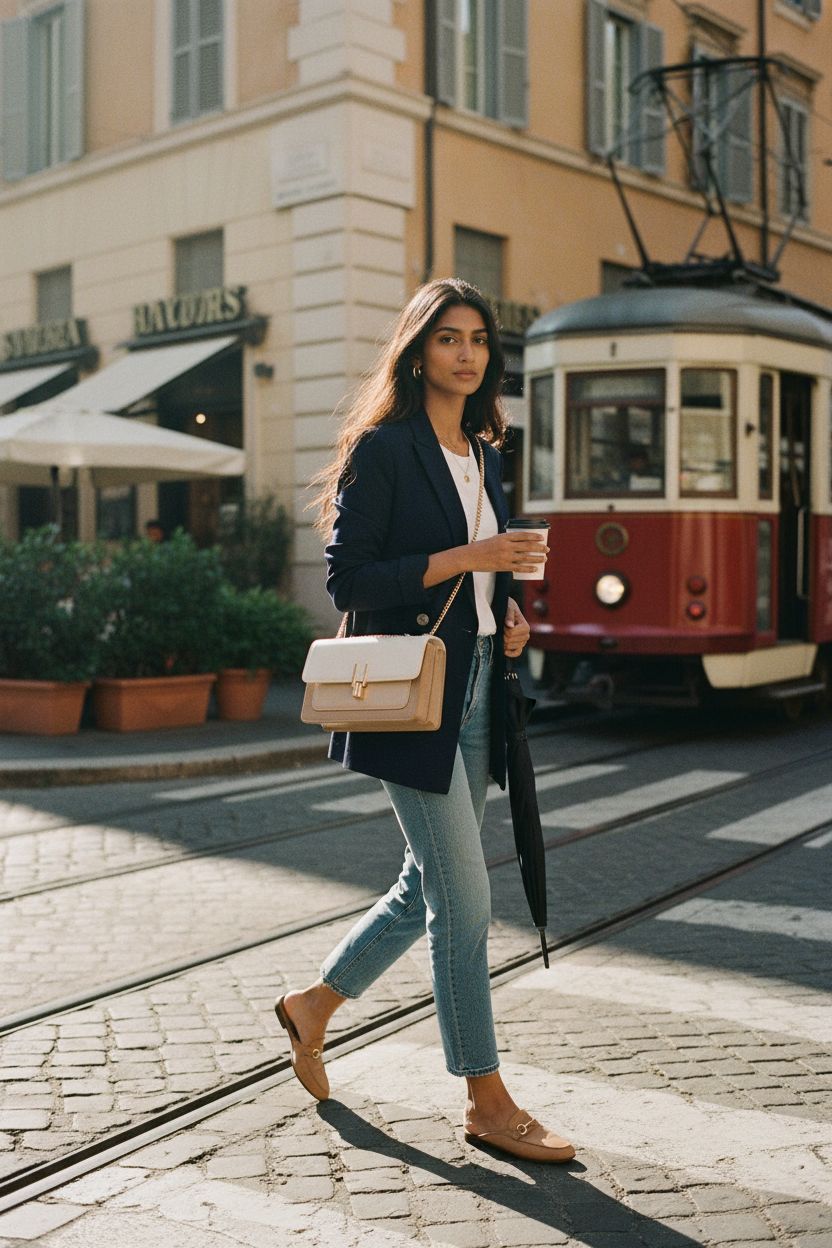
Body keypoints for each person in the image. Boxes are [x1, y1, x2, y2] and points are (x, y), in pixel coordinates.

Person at [276, 278, 576, 1164]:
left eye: (479, 339)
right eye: (449, 338)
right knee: (464, 903)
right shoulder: (385, 449)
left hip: (482, 680)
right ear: (418, 351)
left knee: (425, 883)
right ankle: (485, 1098)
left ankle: (312, 1008)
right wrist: (470, 559)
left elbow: (484, 585)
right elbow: (349, 581)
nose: (468, 354)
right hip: (412, 695)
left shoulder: (486, 454)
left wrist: (505, 612)